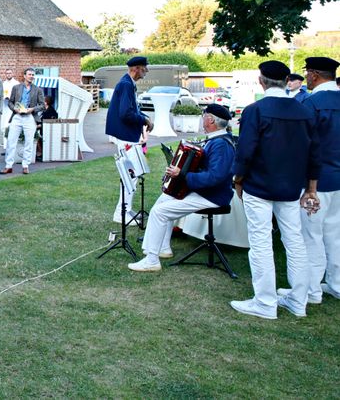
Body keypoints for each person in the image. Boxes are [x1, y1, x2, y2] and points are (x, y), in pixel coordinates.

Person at [230, 60, 318, 320]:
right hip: (291, 186)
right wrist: (311, 188)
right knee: (294, 241)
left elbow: (245, 150)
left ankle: (266, 302)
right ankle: (298, 300)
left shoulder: (256, 110)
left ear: (262, 81)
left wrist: (238, 179)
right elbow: (315, 153)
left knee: (260, 241)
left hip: (259, 184)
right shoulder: (304, 111)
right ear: (286, 81)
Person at [128, 104, 236, 272]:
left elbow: (215, 177)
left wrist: (183, 175)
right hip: (205, 192)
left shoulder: (221, 144)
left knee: (159, 212)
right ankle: (163, 248)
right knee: (166, 197)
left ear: (210, 120)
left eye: (204, 116)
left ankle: (151, 260)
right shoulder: (217, 140)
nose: (202, 119)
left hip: (212, 196)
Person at [296, 56, 340, 303]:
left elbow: (304, 145)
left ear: (313, 74)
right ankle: (336, 282)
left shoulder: (312, 104)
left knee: (311, 235)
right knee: (335, 234)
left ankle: (311, 289)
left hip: (317, 180)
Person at [105, 56, 154, 223]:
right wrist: (144, 120)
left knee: (131, 175)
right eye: (144, 68)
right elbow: (125, 114)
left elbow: (132, 109)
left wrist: (144, 117)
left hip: (127, 136)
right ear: (136, 69)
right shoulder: (126, 84)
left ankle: (125, 211)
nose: (146, 71)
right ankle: (121, 214)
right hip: (126, 137)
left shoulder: (127, 83)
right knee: (131, 175)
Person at [2, 68, 45, 175]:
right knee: (11, 141)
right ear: (24, 76)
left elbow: (42, 105)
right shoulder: (16, 88)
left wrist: (33, 109)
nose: (31, 76)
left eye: (33, 75)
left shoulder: (38, 90)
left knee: (29, 142)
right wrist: (14, 109)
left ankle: (25, 165)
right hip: (17, 116)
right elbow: (10, 103)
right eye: (29, 74)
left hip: (30, 117)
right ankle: (8, 166)